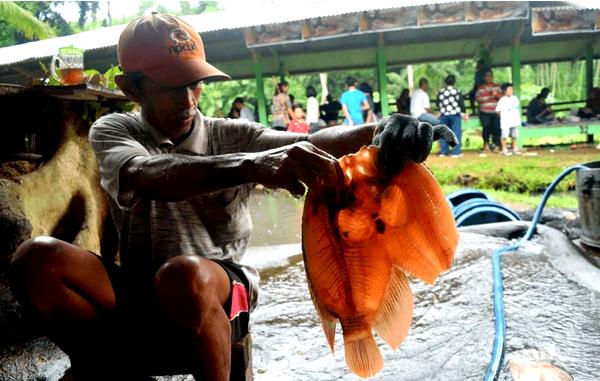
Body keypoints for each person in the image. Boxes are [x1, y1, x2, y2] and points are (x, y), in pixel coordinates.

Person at [10, 12, 457, 381]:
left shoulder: (232, 133)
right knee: (37, 257)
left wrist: (379, 131)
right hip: (143, 288)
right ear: (132, 88)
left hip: (220, 288)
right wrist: (256, 165)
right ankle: (108, 368)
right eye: (170, 85)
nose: (188, 97)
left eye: (194, 82)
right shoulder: (116, 129)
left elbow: (319, 139)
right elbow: (147, 174)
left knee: (184, 275)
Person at [436, 74, 468, 157]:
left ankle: (444, 152)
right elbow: (461, 104)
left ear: (446, 82)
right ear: (454, 82)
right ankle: (456, 152)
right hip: (455, 114)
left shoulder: (441, 91)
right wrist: (463, 113)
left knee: (443, 133)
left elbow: (437, 103)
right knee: (456, 133)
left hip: (444, 114)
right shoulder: (457, 91)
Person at [475, 69, 502, 152]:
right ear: (484, 77)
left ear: (492, 76)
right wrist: (485, 98)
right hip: (485, 111)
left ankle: (496, 145)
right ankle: (486, 145)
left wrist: (496, 95)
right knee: (486, 128)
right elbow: (477, 99)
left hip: (496, 111)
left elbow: (502, 98)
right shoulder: (481, 88)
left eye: (490, 75)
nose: (488, 77)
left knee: (497, 128)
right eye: (487, 76)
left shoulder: (497, 86)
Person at [495, 83, 521, 155]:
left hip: (514, 120)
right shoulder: (502, 100)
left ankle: (514, 148)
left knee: (514, 135)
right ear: (505, 91)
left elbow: (515, 106)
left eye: (512, 89)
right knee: (504, 135)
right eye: (509, 89)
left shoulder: (514, 98)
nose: (511, 91)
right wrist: (503, 117)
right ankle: (504, 149)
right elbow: (498, 111)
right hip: (506, 120)